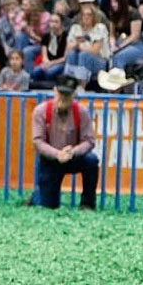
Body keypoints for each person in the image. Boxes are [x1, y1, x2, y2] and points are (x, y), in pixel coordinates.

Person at [31, 75, 97, 210]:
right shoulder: (41, 111)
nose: (63, 97)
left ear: (74, 94)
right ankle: (37, 196)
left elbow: (89, 140)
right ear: (55, 91)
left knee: (91, 160)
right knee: (48, 206)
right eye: (61, 93)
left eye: (67, 94)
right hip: (50, 160)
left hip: (73, 157)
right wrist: (57, 154)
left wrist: (73, 151)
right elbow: (38, 141)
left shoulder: (81, 111)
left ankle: (87, 204)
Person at [65, 0, 110, 82]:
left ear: (94, 16)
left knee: (84, 55)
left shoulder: (100, 28)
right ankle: (68, 84)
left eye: (89, 15)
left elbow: (95, 51)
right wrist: (77, 45)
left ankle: (82, 85)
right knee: (71, 54)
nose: (86, 17)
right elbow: (67, 49)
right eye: (84, 15)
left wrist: (78, 45)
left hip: (99, 61)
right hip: (79, 58)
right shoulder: (75, 28)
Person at [107, 0, 143, 72]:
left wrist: (119, 47)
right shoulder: (113, 14)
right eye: (112, 2)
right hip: (119, 42)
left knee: (119, 57)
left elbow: (135, 36)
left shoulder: (134, 13)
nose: (113, 4)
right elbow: (112, 35)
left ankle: (118, 80)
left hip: (135, 45)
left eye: (115, 2)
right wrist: (113, 45)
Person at [32, 12, 68, 83]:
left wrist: (52, 63)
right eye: (51, 22)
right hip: (48, 62)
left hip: (60, 63)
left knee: (49, 72)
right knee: (35, 72)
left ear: (61, 23)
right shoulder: (46, 36)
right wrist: (46, 62)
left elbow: (65, 58)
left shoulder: (66, 37)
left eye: (56, 22)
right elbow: (44, 54)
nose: (53, 24)